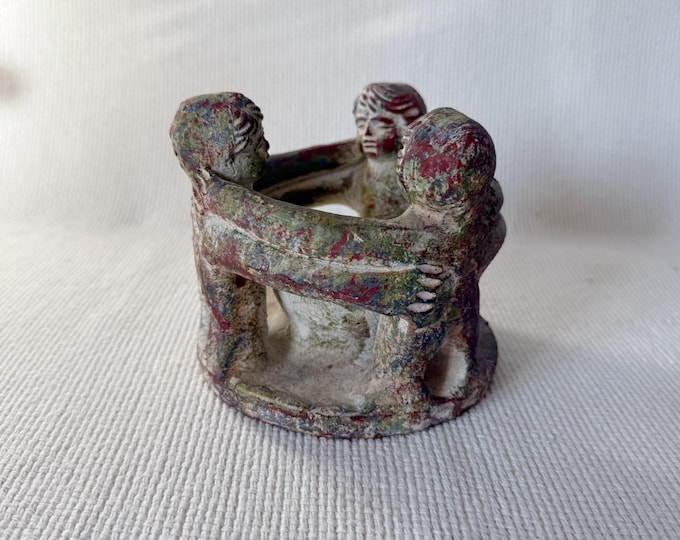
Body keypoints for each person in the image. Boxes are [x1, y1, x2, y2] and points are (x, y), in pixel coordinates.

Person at [202, 107, 505, 409]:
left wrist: (224, 198)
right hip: (450, 319)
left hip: (409, 331)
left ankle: (394, 389)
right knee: (431, 301)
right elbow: (310, 253)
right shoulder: (483, 209)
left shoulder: (418, 238)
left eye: (404, 148)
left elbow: (322, 242)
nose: (399, 156)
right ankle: (433, 375)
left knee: (422, 301)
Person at [170, 92, 271, 383]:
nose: (266, 148)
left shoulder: (210, 191)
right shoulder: (228, 211)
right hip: (238, 354)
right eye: (255, 144)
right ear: (226, 159)